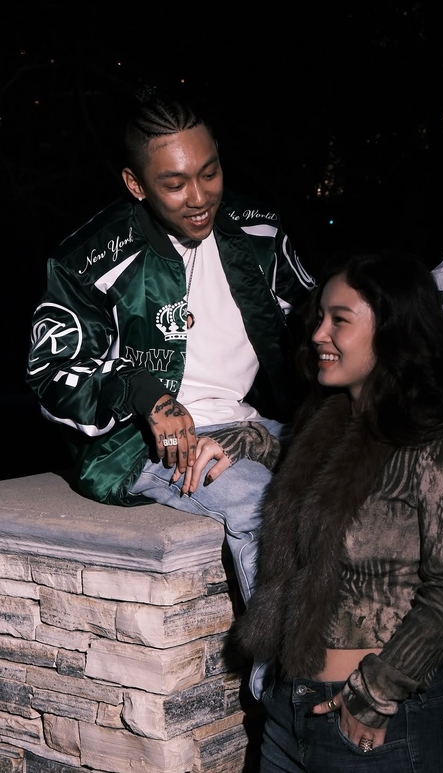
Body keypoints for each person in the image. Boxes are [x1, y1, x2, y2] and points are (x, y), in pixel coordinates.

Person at [26, 87, 316, 605]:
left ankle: (382, 650)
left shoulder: (257, 233)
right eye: (175, 184)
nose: (200, 197)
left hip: (249, 424)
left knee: (378, 473)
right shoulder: (90, 258)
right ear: (136, 184)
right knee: (264, 506)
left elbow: (319, 327)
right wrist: (144, 393)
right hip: (141, 445)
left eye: (210, 173)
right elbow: (52, 375)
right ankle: (290, 658)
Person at [233, 248, 443, 771]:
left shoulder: (436, 447)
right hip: (286, 713)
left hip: (377, 723)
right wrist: (241, 444)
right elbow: (304, 483)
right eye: (319, 318)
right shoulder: (324, 427)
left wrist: (375, 694)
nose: (318, 334)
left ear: (391, 332)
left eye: (339, 320)